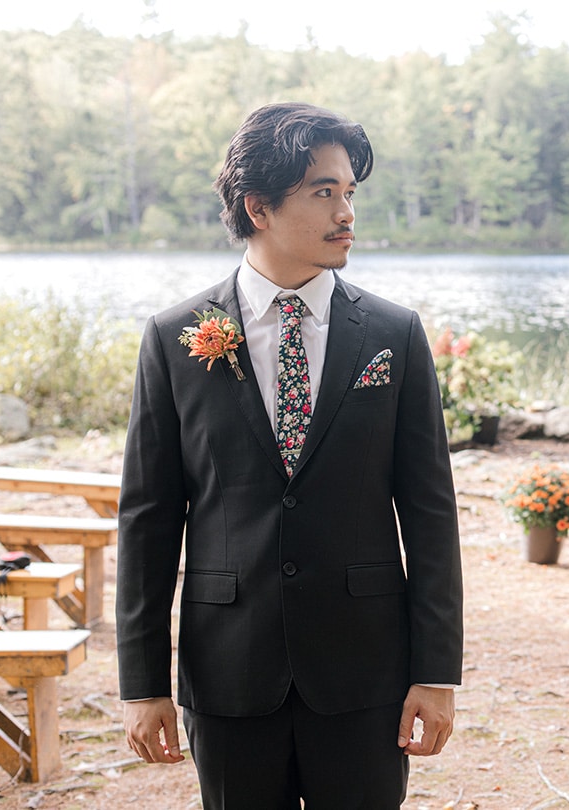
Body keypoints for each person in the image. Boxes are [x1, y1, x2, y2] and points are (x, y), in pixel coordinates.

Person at [115, 101, 464, 809]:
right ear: (259, 207)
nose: (347, 214)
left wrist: (436, 673)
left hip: (364, 670)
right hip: (228, 670)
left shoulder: (395, 334)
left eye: (350, 193)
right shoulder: (174, 337)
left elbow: (430, 514)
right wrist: (143, 683)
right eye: (323, 192)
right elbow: (148, 521)